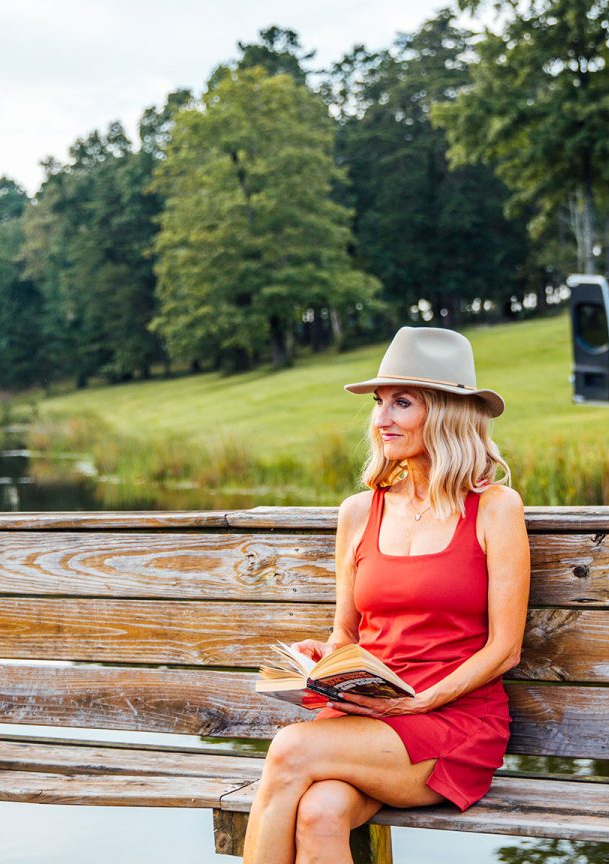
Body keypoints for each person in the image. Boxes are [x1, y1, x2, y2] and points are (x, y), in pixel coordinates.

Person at [241, 326, 531, 863]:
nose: (380, 420)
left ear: (446, 412)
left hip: (452, 721)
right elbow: (346, 633)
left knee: (290, 747)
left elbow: (504, 649)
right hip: (366, 714)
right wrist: (324, 660)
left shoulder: (495, 508)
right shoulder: (358, 511)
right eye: (379, 403)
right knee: (320, 812)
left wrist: (419, 701)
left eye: (402, 402)